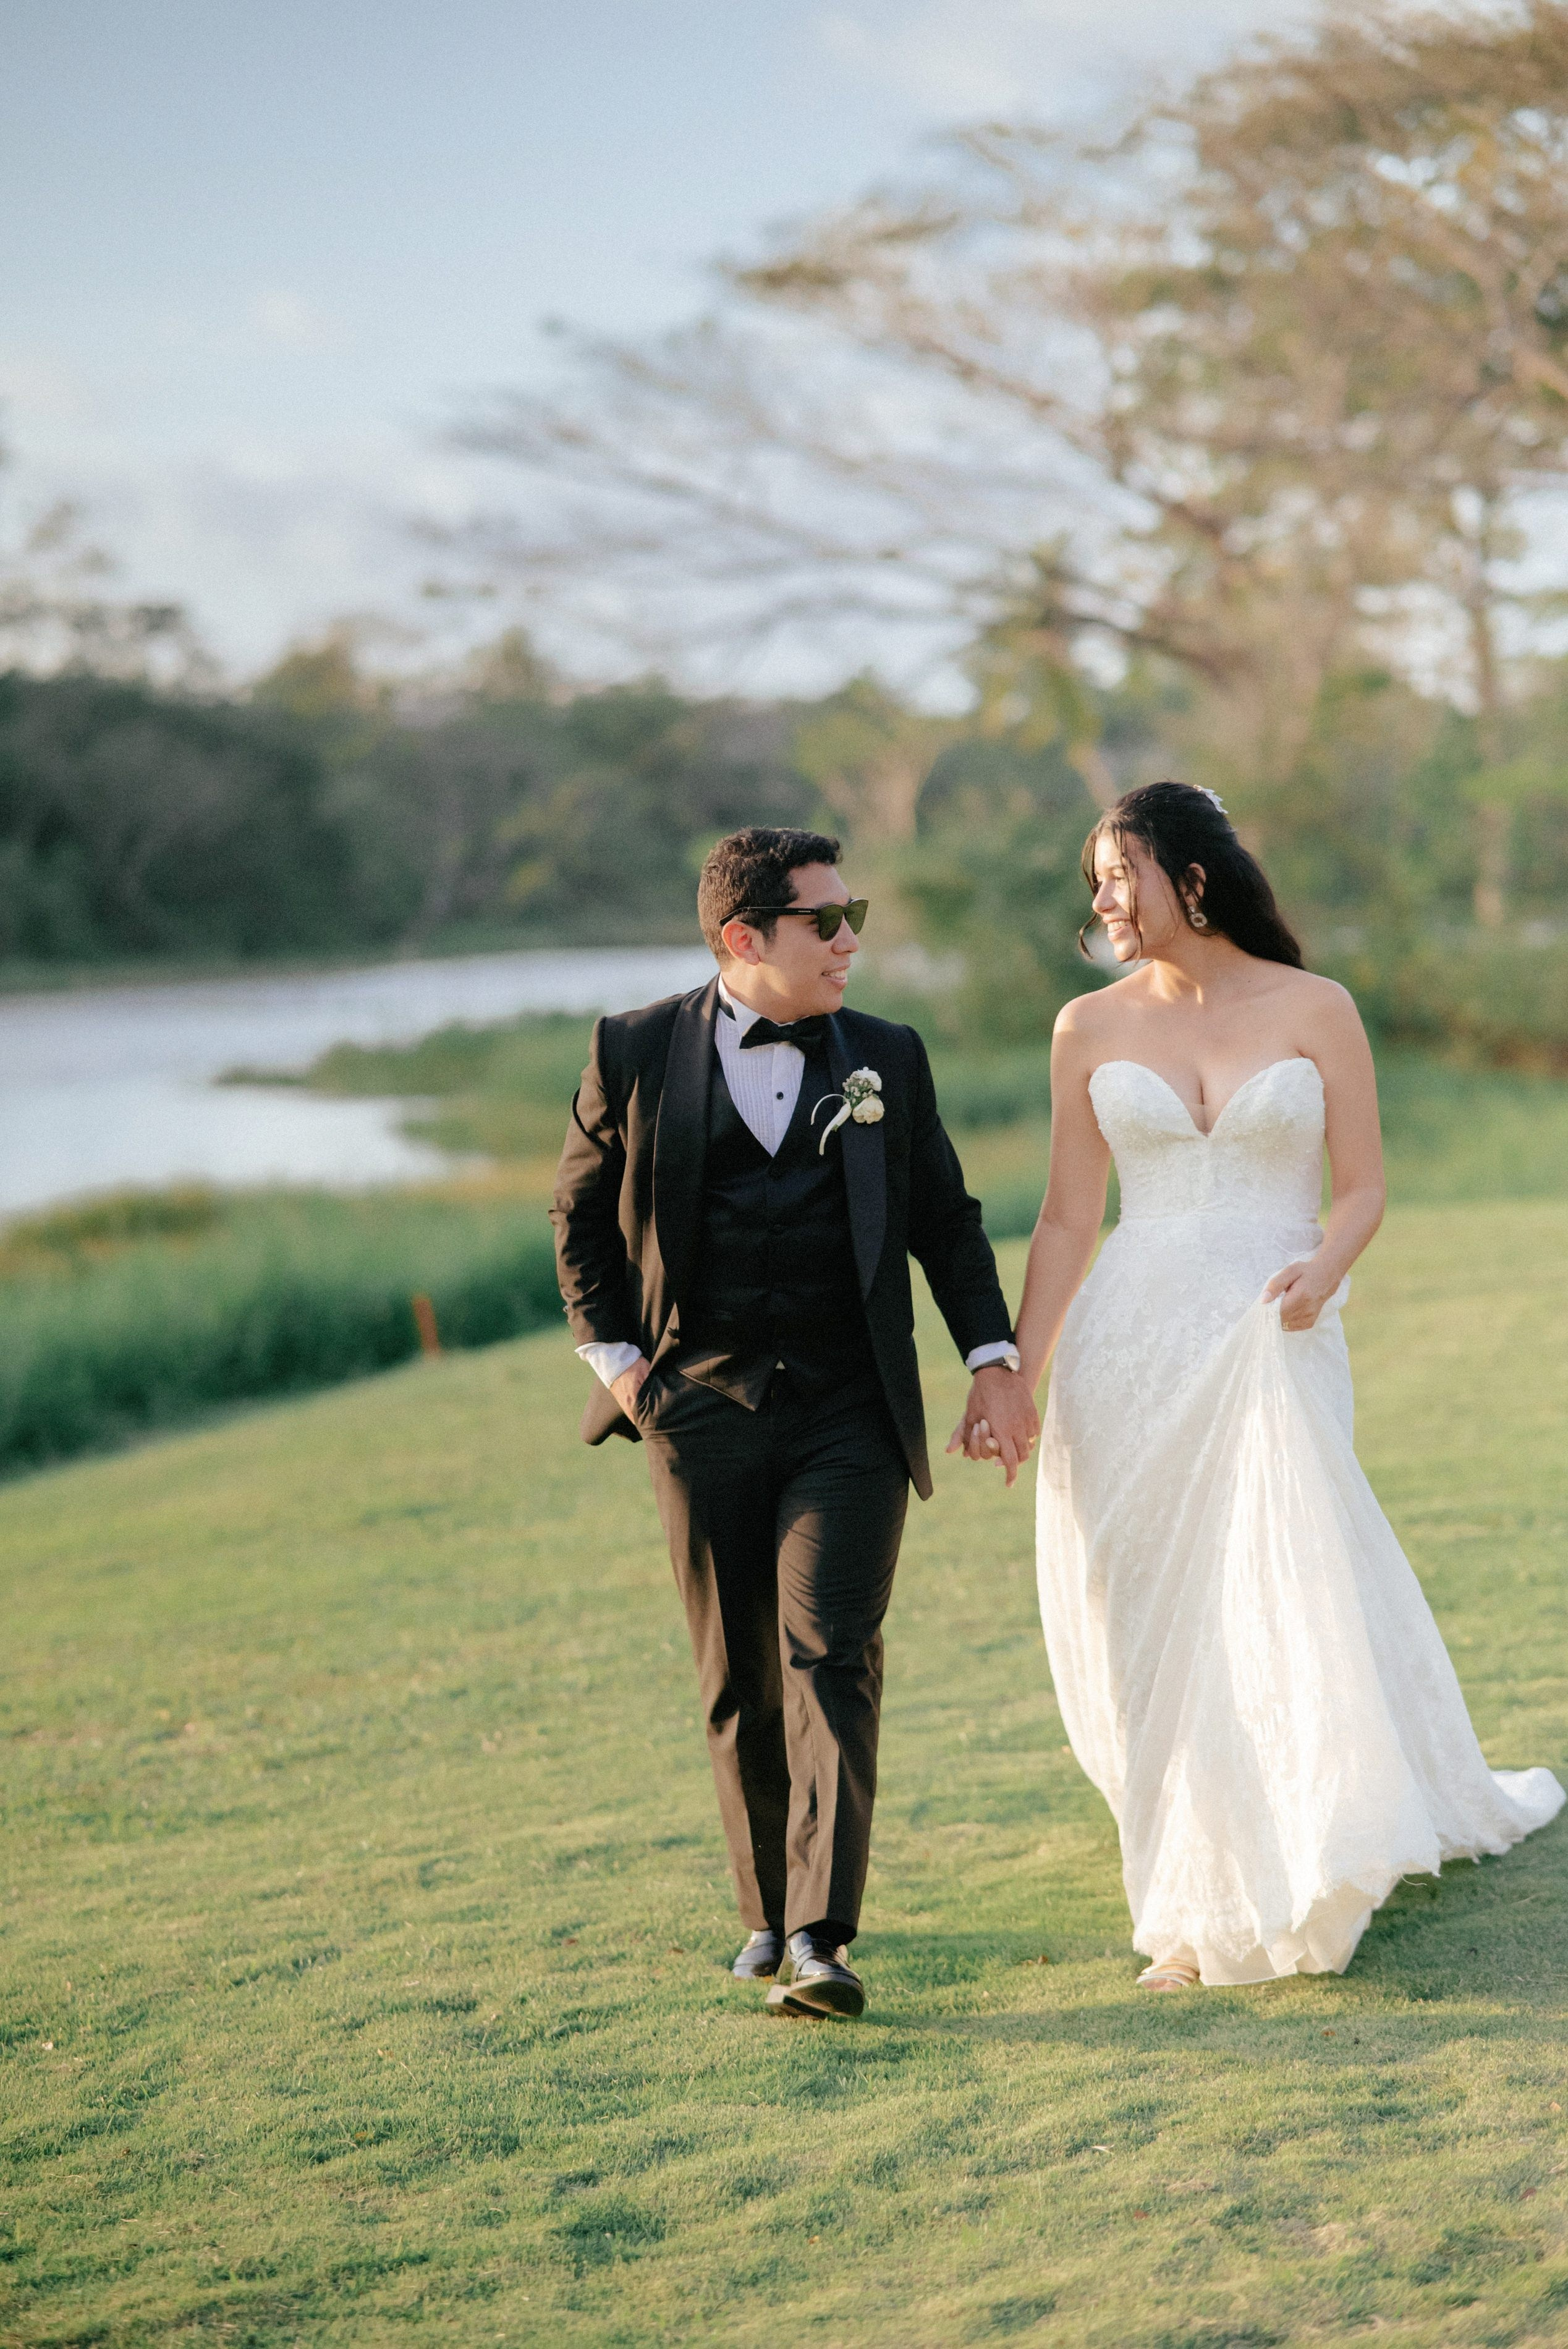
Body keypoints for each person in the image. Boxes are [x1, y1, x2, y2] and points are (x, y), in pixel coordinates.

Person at [998, 780, 1563, 1989]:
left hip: (1276, 1327)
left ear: (1191, 877)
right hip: (1130, 1349)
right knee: (1156, 1611)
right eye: (1093, 879)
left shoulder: (1318, 1007)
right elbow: (1061, 1218)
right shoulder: (1085, 1027)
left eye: (1120, 873)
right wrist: (1016, 1369)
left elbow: (1359, 1184)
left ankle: (1289, 1856)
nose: (1102, 899)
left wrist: (1326, 1265)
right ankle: (1189, 1892)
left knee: (1269, 1588)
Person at [551, 826, 1038, 2019]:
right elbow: (576, 1217)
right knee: (737, 1676)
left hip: (848, 1410)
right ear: (742, 937)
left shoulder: (887, 1057)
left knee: (832, 1655)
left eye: (850, 914)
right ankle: (764, 1913)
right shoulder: (630, 1048)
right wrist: (624, 1372)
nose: (850, 939)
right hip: (696, 1404)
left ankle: (822, 1938)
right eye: (826, 920)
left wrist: (991, 1357)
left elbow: (946, 1220)